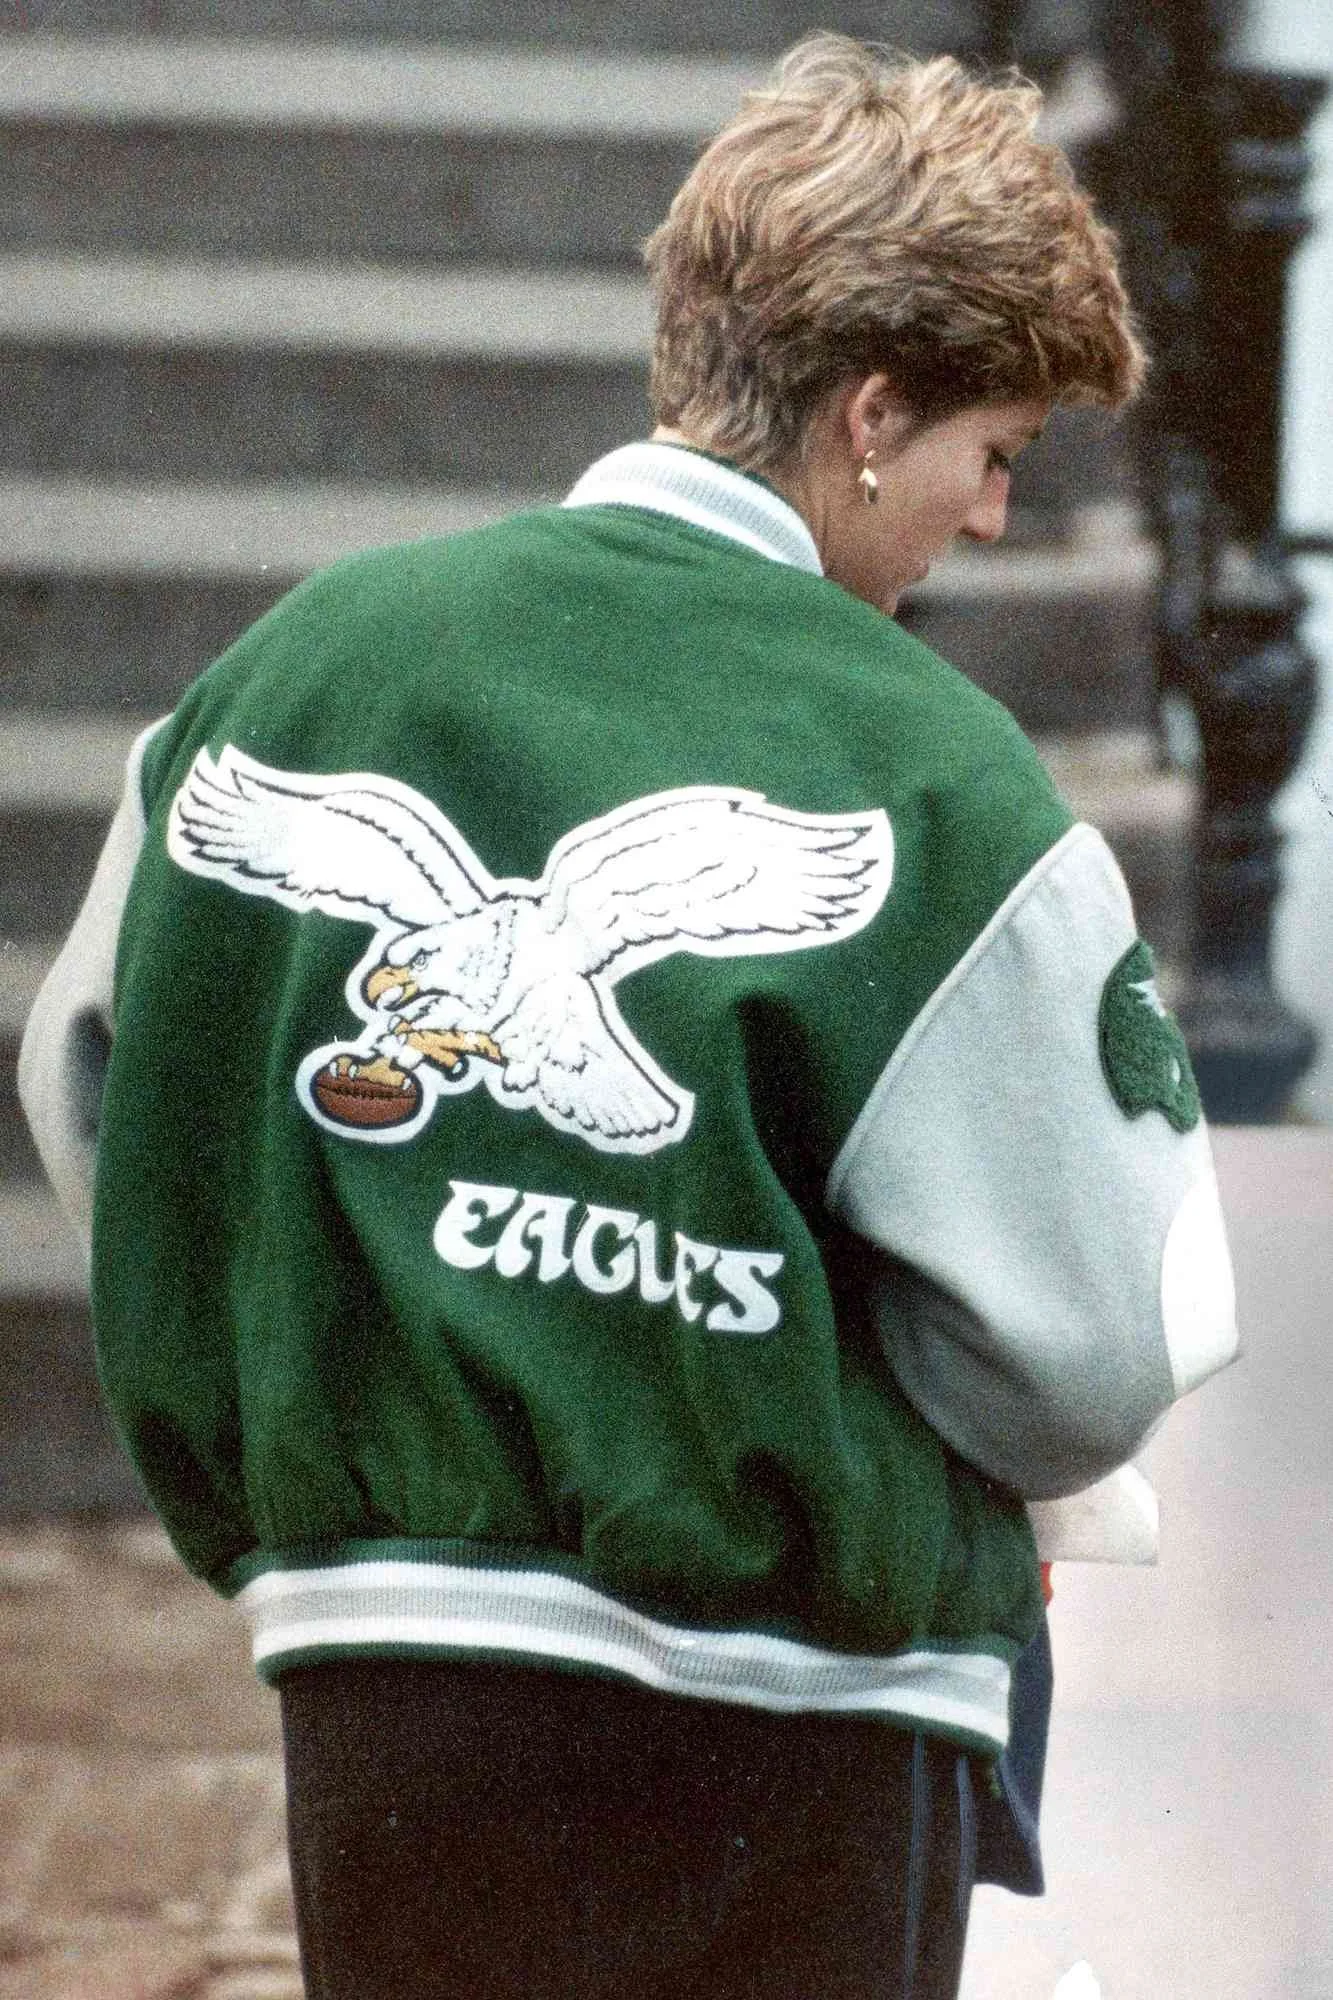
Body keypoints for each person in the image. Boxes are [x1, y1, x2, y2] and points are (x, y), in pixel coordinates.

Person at [20, 33, 1238, 1999]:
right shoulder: (945, 793)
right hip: (805, 1702)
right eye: (990, 453)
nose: (996, 517)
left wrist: (337, 1378)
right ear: (865, 413)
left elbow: (102, 1096)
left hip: (393, 1672)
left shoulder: (296, 673)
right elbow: (1079, 1354)